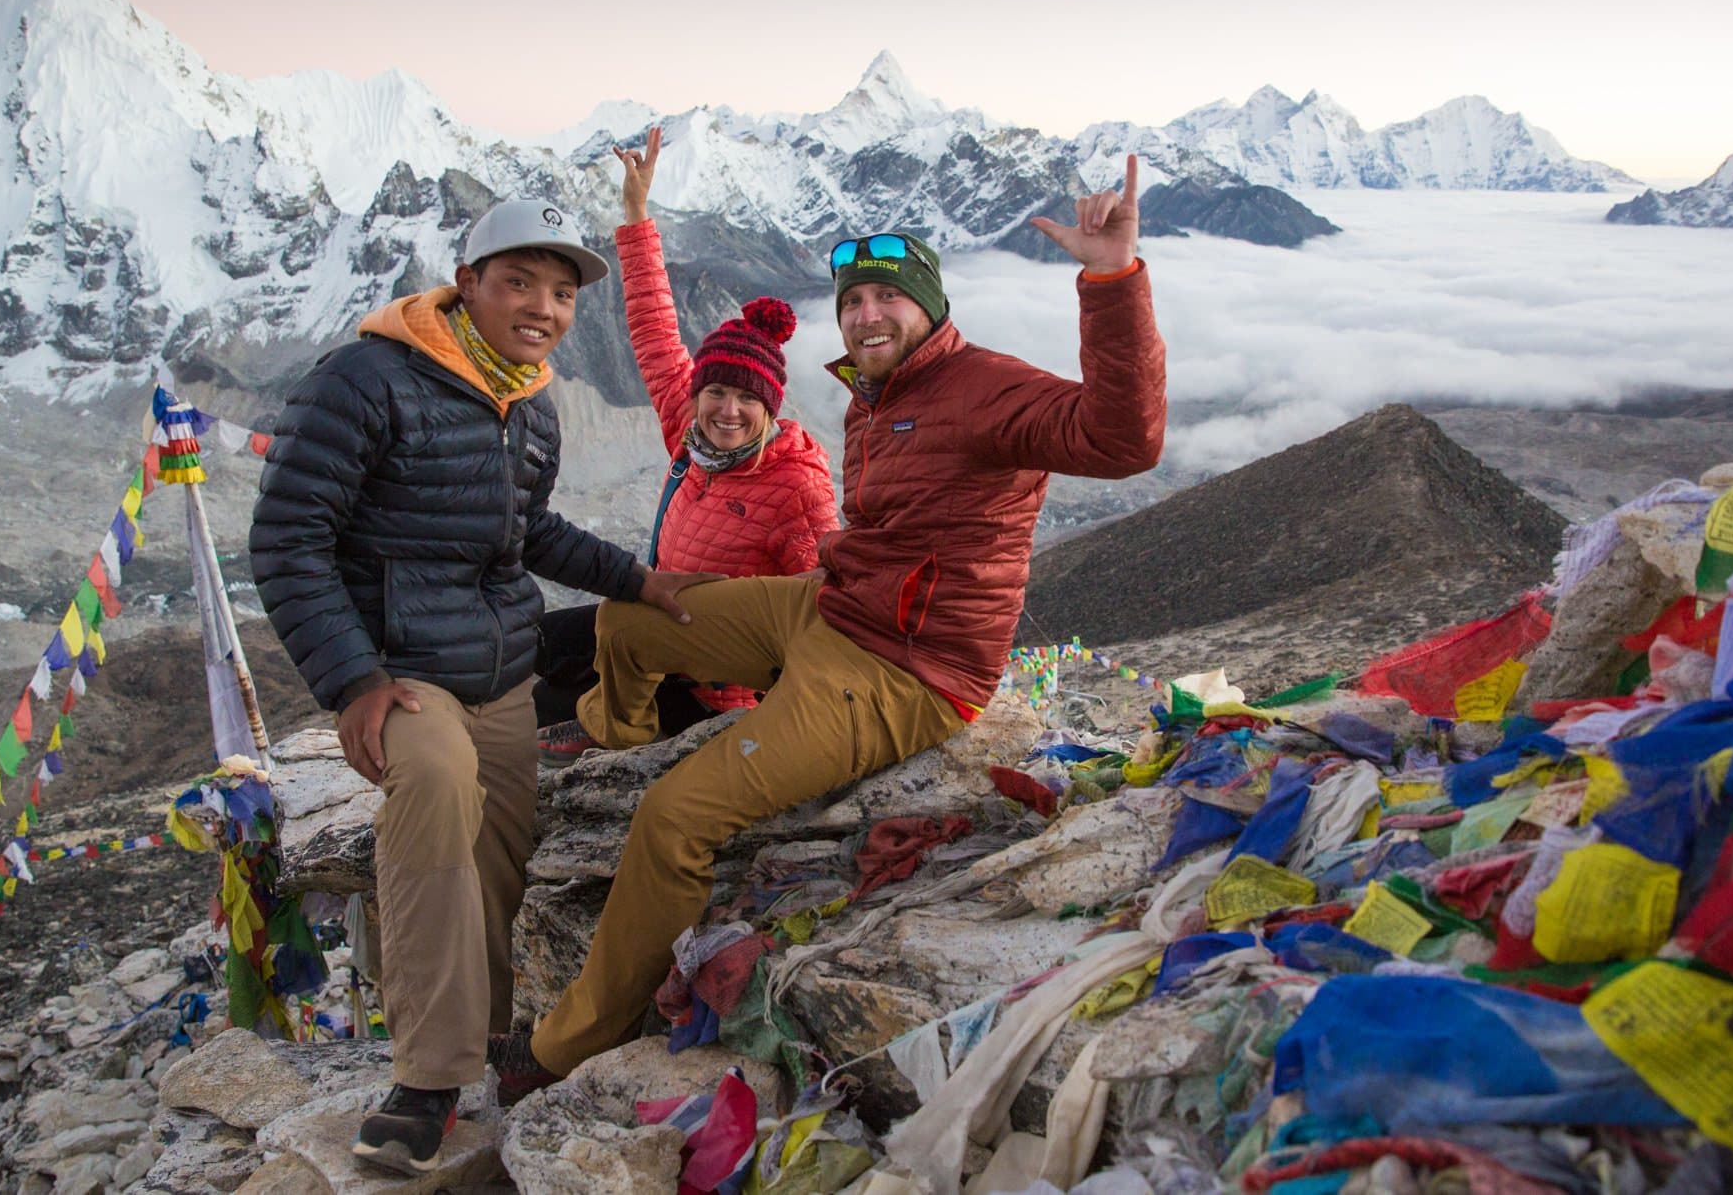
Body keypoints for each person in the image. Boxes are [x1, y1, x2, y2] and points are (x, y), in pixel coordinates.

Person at [513, 157, 1166, 1090]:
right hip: (831, 610)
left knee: (674, 817)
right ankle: (616, 737)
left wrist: (1111, 280)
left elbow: (1124, 439)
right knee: (632, 617)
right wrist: (635, 218)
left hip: (906, 669)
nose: (866, 314)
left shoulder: (985, 388)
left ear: (930, 308)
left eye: (887, 299)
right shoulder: (878, 395)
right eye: (853, 298)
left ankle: (565, 1043)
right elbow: (666, 349)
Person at [249, 199, 716, 1175]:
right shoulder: (367, 379)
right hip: (401, 676)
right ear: (467, 284)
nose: (542, 306)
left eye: (560, 290)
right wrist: (353, 681)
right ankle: (426, 1074)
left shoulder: (528, 404)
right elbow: (288, 539)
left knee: (499, 858)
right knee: (430, 792)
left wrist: (638, 581)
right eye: (518, 282)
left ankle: (496, 1044)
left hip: (500, 669)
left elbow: (527, 536)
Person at [533, 127, 839, 764]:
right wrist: (636, 215)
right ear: (698, 393)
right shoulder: (688, 430)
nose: (729, 411)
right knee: (534, 647)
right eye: (717, 391)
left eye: (748, 400)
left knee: (549, 705)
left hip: (715, 691)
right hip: (658, 628)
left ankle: (618, 741)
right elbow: (652, 323)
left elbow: (819, 604)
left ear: (769, 408)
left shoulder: (795, 486)